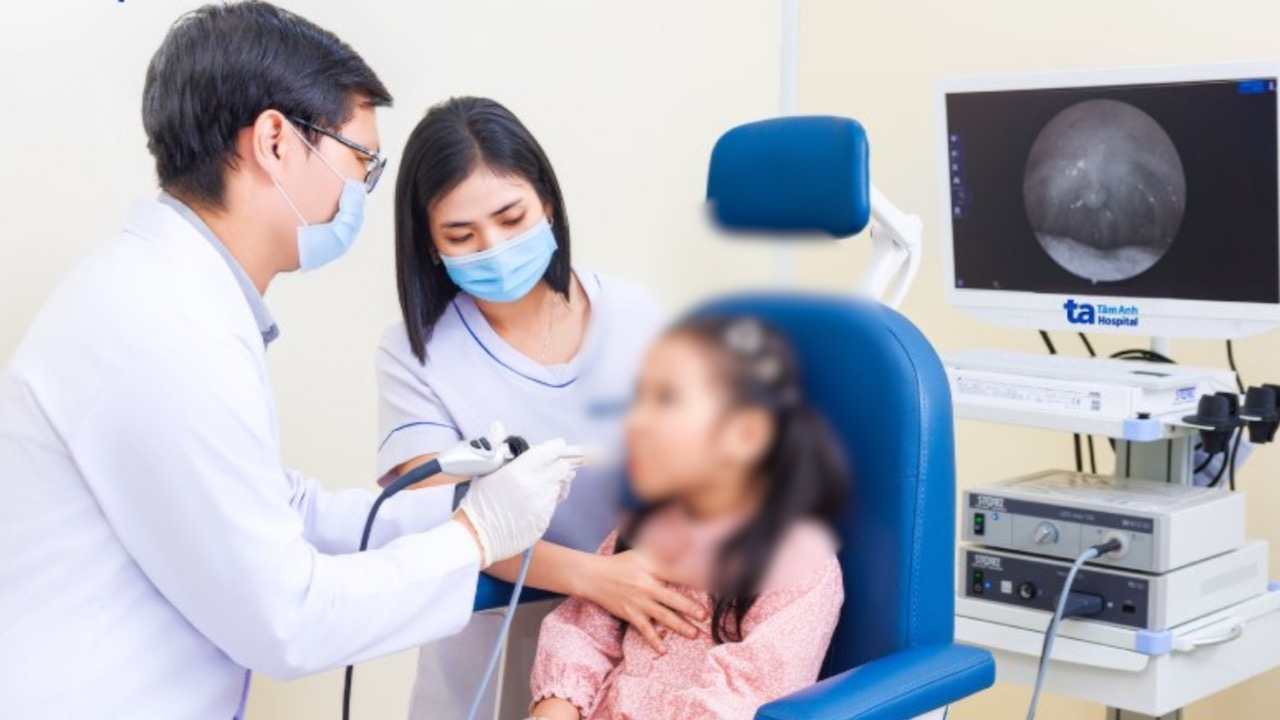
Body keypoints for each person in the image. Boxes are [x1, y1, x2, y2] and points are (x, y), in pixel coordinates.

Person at [0, 4, 573, 718]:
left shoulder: (166, 296)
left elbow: (275, 508)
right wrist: (476, 534)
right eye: (360, 159)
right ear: (276, 141)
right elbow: (289, 621)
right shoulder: (169, 330)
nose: (361, 190)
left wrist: (453, 508)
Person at [376, 97, 701, 719]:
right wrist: (595, 577)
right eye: (461, 235)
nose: (493, 247)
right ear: (430, 245)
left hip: (634, 644)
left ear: (547, 201)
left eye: (511, 217)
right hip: (487, 645)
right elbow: (440, 522)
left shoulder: (633, 316)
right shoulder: (414, 353)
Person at [526, 315, 848, 719]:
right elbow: (583, 632)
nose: (636, 421)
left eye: (666, 400)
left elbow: (748, 697)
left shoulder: (797, 566)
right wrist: (556, 707)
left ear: (745, 434)